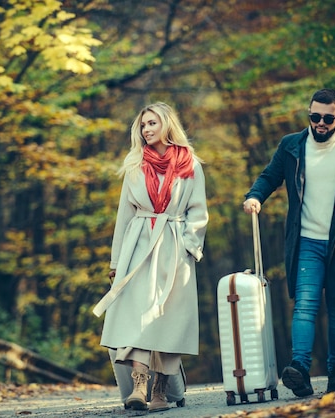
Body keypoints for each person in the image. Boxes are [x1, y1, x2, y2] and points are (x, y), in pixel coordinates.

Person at [242, 89, 335, 397]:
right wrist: (255, 197)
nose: (320, 123)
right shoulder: (291, 145)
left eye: (328, 118)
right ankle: (300, 370)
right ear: (308, 114)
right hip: (305, 240)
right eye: (314, 117)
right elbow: (270, 177)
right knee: (305, 305)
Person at [93, 102, 208, 412]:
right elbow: (124, 216)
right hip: (139, 245)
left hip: (173, 245)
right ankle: (139, 383)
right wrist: (117, 261)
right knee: (138, 314)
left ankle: (161, 389)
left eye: (152, 123)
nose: (146, 129)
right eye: (143, 125)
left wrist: (188, 246)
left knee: (168, 317)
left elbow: (198, 211)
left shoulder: (190, 164)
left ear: (166, 125)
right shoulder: (135, 165)